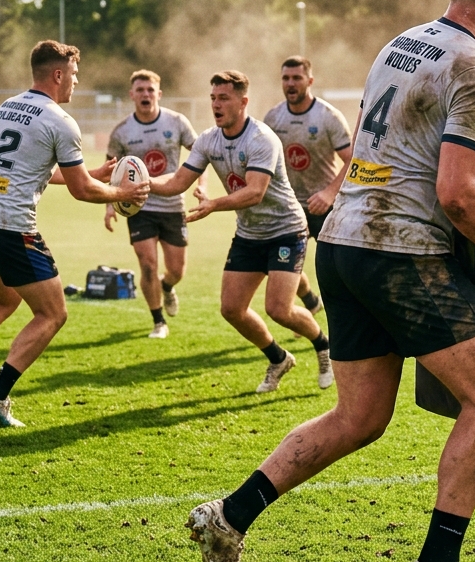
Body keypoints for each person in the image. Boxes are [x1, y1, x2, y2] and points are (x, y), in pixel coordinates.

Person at [184, 0, 475, 562]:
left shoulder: (403, 45)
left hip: (343, 245)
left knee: (359, 416)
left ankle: (229, 517)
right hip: (402, 251)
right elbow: (460, 195)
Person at [0, 40, 149, 428]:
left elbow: (34, 170)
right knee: (53, 312)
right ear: (58, 74)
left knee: (5, 298)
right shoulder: (60, 121)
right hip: (9, 225)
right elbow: (83, 192)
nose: (76, 83)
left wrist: (95, 175)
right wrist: (123, 193)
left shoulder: (8, 108)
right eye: (74, 75)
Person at [147, 70, 333, 392]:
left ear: (243, 101)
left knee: (279, 309)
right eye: (213, 98)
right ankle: (278, 358)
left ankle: (323, 347)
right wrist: (141, 185)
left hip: (285, 230)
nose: (216, 105)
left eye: (224, 98)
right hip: (250, 234)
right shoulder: (208, 140)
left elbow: (255, 192)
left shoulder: (262, 138)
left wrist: (213, 205)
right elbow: (177, 182)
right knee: (231, 309)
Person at [105, 69, 203, 339]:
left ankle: (168, 287)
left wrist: (201, 185)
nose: (145, 95)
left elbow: (199, 155)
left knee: (176, 270)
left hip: (173, 205)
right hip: (139, 207)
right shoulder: (122, 131)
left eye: (150, 90)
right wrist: (109, 204)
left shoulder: (177, 122)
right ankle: (158, 321)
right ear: (132, 95)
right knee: (148, 263)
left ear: (158, 94)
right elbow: (110, 171)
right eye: (140, 90)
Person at [263, 56, 353, 314]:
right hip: (288, 207)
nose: (290, 83)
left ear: (309, 81)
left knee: (336, 271)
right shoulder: (274, 117)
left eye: (297, 78)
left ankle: (345, 319)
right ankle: (311, 303)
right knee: (280, 266)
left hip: (323, 207)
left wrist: (329, 192)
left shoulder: (328, 116)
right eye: (286, 78)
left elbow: (352, 160)